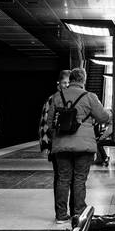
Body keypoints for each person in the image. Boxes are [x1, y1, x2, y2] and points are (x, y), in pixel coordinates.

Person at [42, 67, 111, 225]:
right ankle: (78, 213)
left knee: (63, 179)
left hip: (61, 145)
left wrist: (58, 136)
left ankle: (61, 215)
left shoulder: (57, 96)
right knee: (79, 179)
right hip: (84, 145)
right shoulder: (89, 97)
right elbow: (103, 117)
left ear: (71, 79)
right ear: (83, 80)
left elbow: (49, 121)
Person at [39, 70, 71, 211]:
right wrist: (45, 144)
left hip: (68, 143)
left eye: (69, 82)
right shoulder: (52, 99)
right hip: (57, 144)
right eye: (64, 82)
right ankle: (61, 210)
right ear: (58, 83)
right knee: (60, 177)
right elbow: (44, 122)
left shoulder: (70, 97)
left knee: (63, 178)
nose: (67, 85)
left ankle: (64, 211)